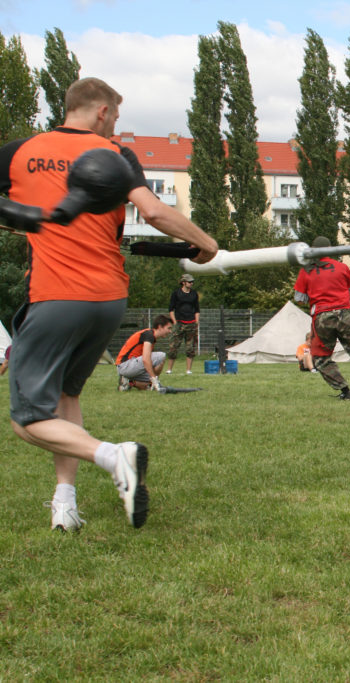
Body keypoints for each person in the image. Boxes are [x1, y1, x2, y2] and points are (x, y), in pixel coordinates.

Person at [1, 77, 218, 531]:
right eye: (116, 116)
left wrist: (18, 216)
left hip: (55, 295)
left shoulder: (21, 153)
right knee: (67, 395)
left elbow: (151, 213)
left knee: (27, 419)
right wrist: (205, 243)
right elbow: (152, 211)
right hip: (108, 299)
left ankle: (114, 456)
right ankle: (64, 504)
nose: (115, 125)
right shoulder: (116, 155)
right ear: (102, 111)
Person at [293, 235, 350, 400]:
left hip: (322, 316)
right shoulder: (341, 267)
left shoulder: (306, 270)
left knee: (320, 357)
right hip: (345, 313)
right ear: (331, 249)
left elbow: (299, 298)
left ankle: (345, 391)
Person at [116, 315, 173, 390]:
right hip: (125, 366)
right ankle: (154, 382)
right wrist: (154, 379)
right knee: (161, 356)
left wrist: (151, 380)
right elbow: (146, 359)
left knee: (148, 385)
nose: (170, 331)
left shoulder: (151, 336)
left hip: (126, 367)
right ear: (160, 327)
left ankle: (128, 382)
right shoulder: (149, 335)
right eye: (169, 328)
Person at [165, 273, 200, 374]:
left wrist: (196, 322)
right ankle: (169, 369)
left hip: (191, 323)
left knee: (190, 348)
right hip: (179, 323)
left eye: (192, 282)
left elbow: (197, 309)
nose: (191, 283)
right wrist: (175, 322)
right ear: (183, 282)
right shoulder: (176, 293)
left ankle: (188, 370)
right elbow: (171, 309)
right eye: (189, 282)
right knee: (174, 346)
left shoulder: (194, 294)